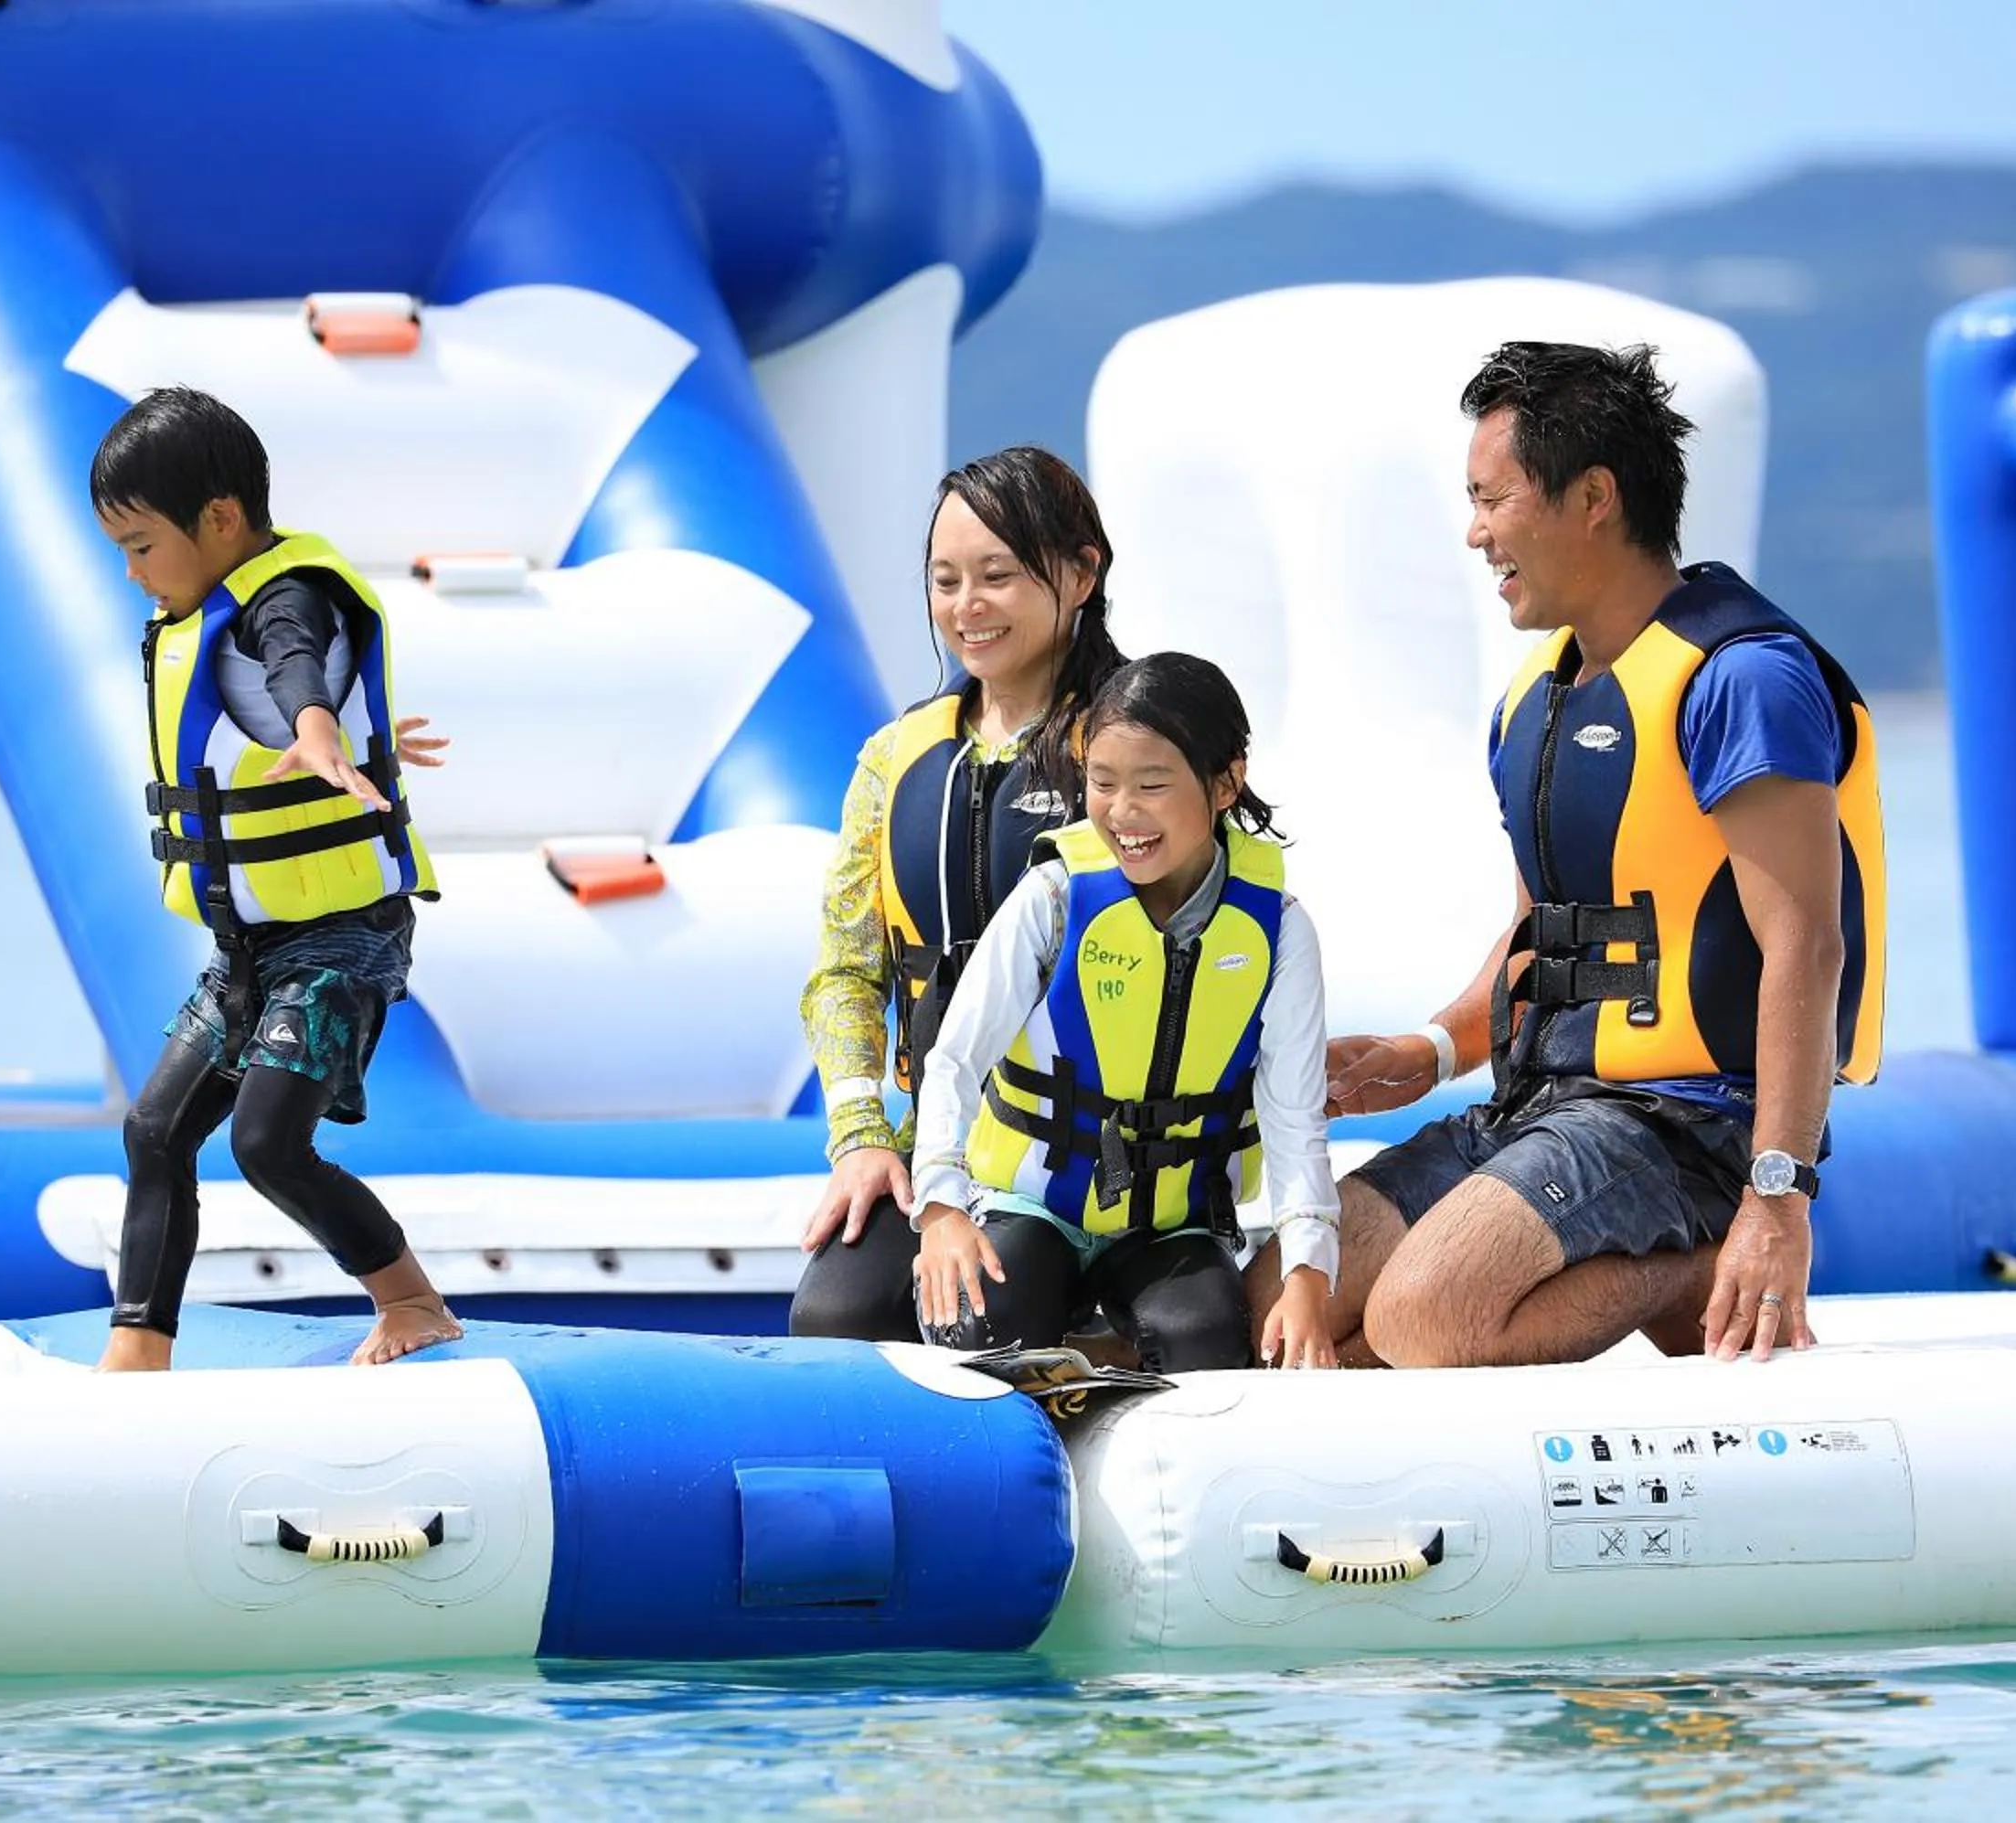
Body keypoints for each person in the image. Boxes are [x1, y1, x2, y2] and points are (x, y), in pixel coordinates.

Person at [1245, 340, 1885, 1369]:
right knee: (1286, 1296)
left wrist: (1778, 1195)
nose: (1474, 532)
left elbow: (1804, 944)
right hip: (1541, 1108)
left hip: (1689, 1123)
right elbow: (1544, 933)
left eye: (1492, 499)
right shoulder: (1532, 699)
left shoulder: (1743, 680)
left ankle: (1697, 1257)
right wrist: (1432, 1050)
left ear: (1592, 496)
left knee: (1424, 1320)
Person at [89, 386, 463, 1370]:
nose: (130, 572)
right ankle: (138, 1347)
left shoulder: (288, 598)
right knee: (155, 1126)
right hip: (252, 946)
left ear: (218, 521)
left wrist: (316, 726)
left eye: (139, 545)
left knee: (266, 1143)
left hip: (342, 935)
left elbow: (294, 660)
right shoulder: (207, 606)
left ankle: (412, 1301)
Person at [907, 653, 1340, 1370]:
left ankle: (1105, 1364)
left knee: (1204, 1340)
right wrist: (942, 1209)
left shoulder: (1279, 931)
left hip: (1170, 1225)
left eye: (1153, 785)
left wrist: (1306, 1274)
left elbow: (1295, 1119)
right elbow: (954, 1061)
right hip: (1031, 1205)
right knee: (985, 1321)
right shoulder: (1052, 900)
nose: (1122, 813)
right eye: (1102, 784)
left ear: (1227, 781)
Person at [790, 447, 1129, 1341]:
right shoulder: (896, 760)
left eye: (997, 577)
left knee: (978, 1318)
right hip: (938, 1146)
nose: (965, 606)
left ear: (1081, 571)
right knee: (833, 1313)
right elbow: (846, 972)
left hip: (1094, 1157)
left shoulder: (1142, 746)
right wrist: (862, 1135)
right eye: (945, 581)